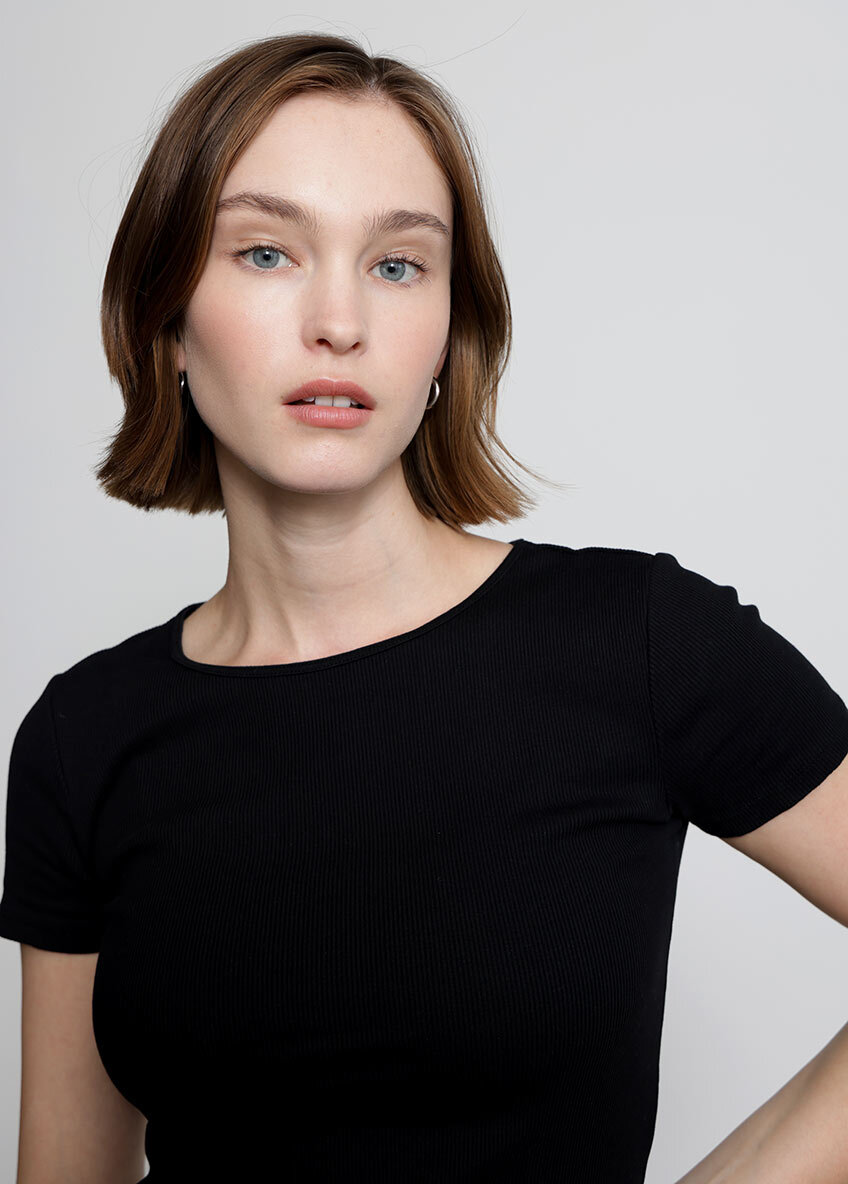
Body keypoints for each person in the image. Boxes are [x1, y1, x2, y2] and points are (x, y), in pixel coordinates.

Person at [2, 31, 847, 1184]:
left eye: (397, 264)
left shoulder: (641, 642)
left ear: (449, 332)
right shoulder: (81, 736)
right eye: (265, 252)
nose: (337, 319)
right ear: (165, 318)